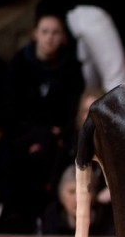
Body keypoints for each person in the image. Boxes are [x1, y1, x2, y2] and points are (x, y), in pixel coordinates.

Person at [5, 13, 86, 189]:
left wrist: (61, 130)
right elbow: (11, 107)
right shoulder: (19, 64)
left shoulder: (72, 66)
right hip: (25, 131)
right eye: (45, 32)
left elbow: (74, 106)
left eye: (55, 32)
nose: (50, 37)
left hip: (61, 133)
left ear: (63, 36)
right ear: (35, 34)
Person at [37, 164, 113, 237]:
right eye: (71, 192)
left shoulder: (109, 221)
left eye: (84, 192)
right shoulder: (50, 221)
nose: (78, 199)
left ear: (94, 194)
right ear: (61, 195)